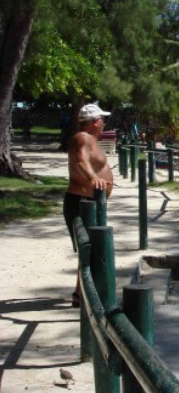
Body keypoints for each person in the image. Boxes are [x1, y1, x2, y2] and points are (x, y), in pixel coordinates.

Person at [63, 104, 113, 307]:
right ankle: (82, 295)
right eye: (103, 119)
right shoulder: (82, 138)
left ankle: (80, 293)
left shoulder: (91, 139)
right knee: (89, 249)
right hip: (82, 202)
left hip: (91, 202)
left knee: (90, 249)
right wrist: (93, 178)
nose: (104, 123)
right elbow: (80, 161)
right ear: (95, 121)